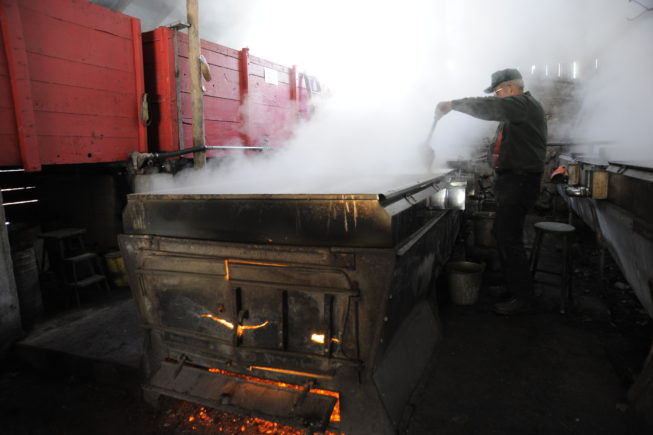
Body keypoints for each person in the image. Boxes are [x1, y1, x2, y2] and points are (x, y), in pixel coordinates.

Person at [435, 68, 547, 315]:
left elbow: (488, 107)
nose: (497, 97)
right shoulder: (516, 112)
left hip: (520, 182)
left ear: (509, 87)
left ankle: (523, 298)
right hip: (513, 181)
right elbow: (500, 146)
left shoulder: (522, 104)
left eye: (497, 91)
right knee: (503, 234)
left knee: (509, 238)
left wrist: (453, 105)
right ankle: (514, 287)